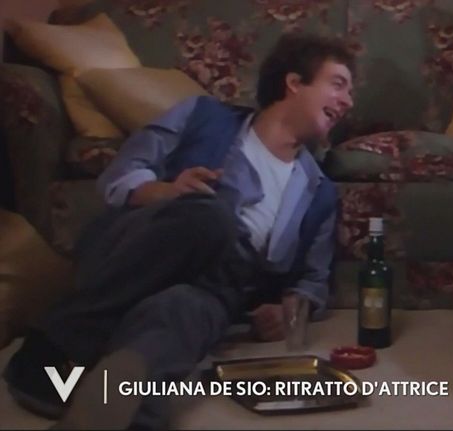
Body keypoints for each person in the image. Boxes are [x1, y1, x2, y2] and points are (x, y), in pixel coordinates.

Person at [3, 32, 355, 429]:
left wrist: (287, 308)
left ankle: (114, 414)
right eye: (338, 84)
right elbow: (120, 175)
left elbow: (313, 280)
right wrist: (165, 191)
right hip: (152, 241)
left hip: (219, 285)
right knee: (212, 219)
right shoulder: (203, 115)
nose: (348, 101)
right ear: (294, 83)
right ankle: (56, 345)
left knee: (181, 313)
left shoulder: (319, 191)